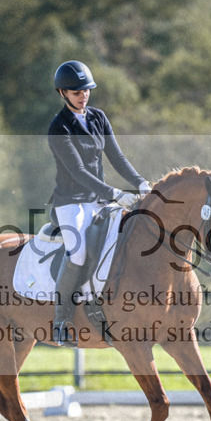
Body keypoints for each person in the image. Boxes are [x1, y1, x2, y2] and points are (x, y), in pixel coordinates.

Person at [47, 60, 150, 344]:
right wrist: (115, 193)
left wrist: (140, 182)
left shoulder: (98, 118)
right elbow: (78, 172)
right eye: (76, 92)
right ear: (62, 93)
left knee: (123, 239)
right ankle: (61, 319)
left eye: (86, 90)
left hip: (98, 199)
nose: (83, 95)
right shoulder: (59, 128)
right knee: (78, 254)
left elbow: (117, 157)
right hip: (70, 202)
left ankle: (109, 306)